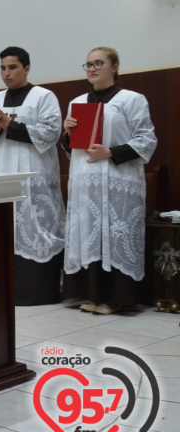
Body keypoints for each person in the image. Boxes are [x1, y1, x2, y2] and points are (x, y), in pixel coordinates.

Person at [61, 47, 157, 314]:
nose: (92, 68)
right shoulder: (77, 102)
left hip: (117, 181)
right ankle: (90, 294)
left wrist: (111, 152)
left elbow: (146, 140)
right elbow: (71, 148)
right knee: (88, 234)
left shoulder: (131, 99)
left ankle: (116, 298)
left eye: (99, 63)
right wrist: (67, 133)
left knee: (115, 234)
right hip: (85, 182)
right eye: (88, 64)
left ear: (114, 67)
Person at [0, 46, 64, 305]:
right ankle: (3, 292)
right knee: (5, 229)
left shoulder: (43, 96)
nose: (6, 73)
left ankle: (38, 292)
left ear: (26, 68)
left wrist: (11, 125)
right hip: (2, 172)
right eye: (3, 68)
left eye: (12, 67)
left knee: (37, 227)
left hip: (34, 175)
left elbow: (50, 133)